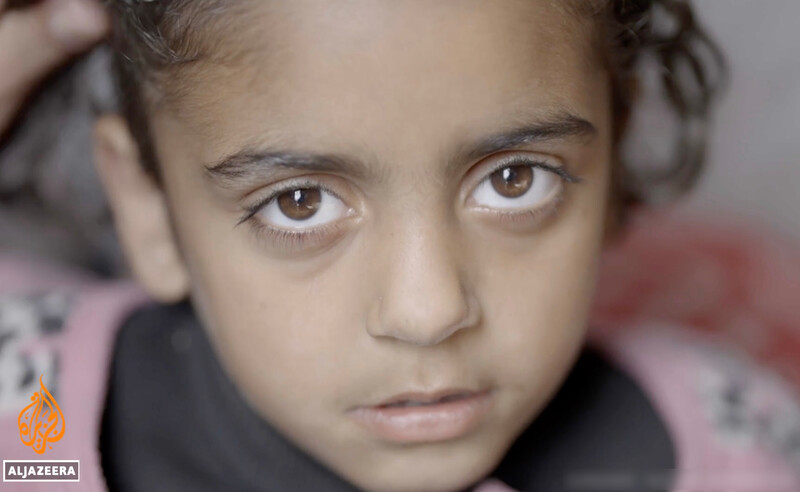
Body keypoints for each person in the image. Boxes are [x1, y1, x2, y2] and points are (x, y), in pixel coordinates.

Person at [1, 1, 799, 491]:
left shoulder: (740, 453)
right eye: (299, 201)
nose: (429, 312)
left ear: (615, 155)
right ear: (148, 205)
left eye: (516, 180)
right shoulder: (23, 422)